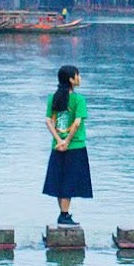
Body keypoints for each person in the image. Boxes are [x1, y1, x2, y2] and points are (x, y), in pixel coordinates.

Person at [42, 65, 92, 226]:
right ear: (71, 79)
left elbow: (48, 121)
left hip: (57, 147)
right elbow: (77, 123)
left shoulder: (52, 98)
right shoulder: (79, 100)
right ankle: (64, 215)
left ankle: (63, 214)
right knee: (69, 182)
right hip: (75, 146)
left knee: (59, 181)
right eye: (78, 75)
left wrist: (58, 140)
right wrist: (67, 141)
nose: (80, 78)